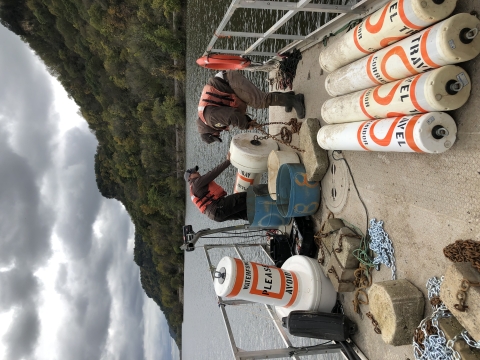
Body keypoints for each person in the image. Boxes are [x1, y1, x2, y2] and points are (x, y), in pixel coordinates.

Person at [197, 70, 305, 144]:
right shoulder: (206, 116)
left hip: (230, 81)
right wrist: (248, 121)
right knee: (259, 100)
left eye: (216, 135)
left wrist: (246, 125)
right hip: (227, 82)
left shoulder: (211, 120)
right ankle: (288, 98)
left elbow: (233, 116)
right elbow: (232, 113)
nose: (219, 134)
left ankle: (296, 100)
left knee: (259, 101)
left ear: (210, 133)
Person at [185, 152, 248, 222]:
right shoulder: (196, 183)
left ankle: (259, 220)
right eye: (194, 172)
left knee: (243, 213)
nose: (198, 172)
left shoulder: (193, 188)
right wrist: (228, 161)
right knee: (247, 197)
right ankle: (261, 199)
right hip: (218, 208)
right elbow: (213, 173)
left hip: (216, 215)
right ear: (189, 177)